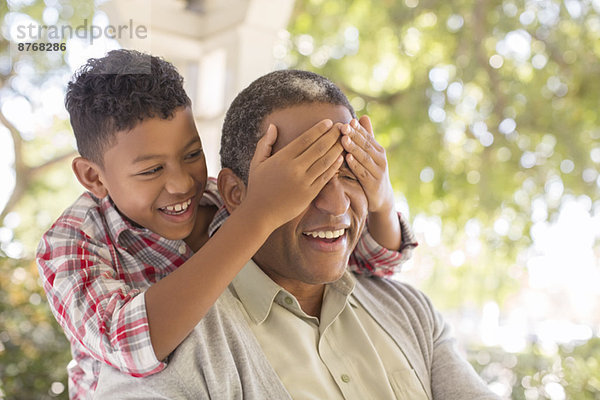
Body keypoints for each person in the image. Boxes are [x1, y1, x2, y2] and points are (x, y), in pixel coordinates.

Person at [93, 69, 498, 399]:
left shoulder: (411, 313)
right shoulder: (176, 347)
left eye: (349, 173)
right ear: (236, 194)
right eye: (306, 179)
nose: (337, 204)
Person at [36, 50, 417, 399]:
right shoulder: (70, 243)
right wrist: (258, 214)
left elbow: (374, 263)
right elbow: (130, 347)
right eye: (152, 169)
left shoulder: (224, 197)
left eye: (192, 154)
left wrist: (380, 201)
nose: (183, 183)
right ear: (93, 177)